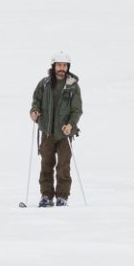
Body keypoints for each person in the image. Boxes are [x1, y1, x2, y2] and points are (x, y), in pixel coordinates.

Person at [29, 51, 82, 207]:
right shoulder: (44, 83)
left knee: (63, 166)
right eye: (59, 65)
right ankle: (46, 195)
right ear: (53, 66)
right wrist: (34, 111)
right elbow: (36, 101)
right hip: (47, 131)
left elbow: (77, 110)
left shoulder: (73, 86)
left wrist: (71, 125)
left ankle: (62, 197)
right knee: (46, 164)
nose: (61, 68)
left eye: (64, 65)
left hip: (65, 133)